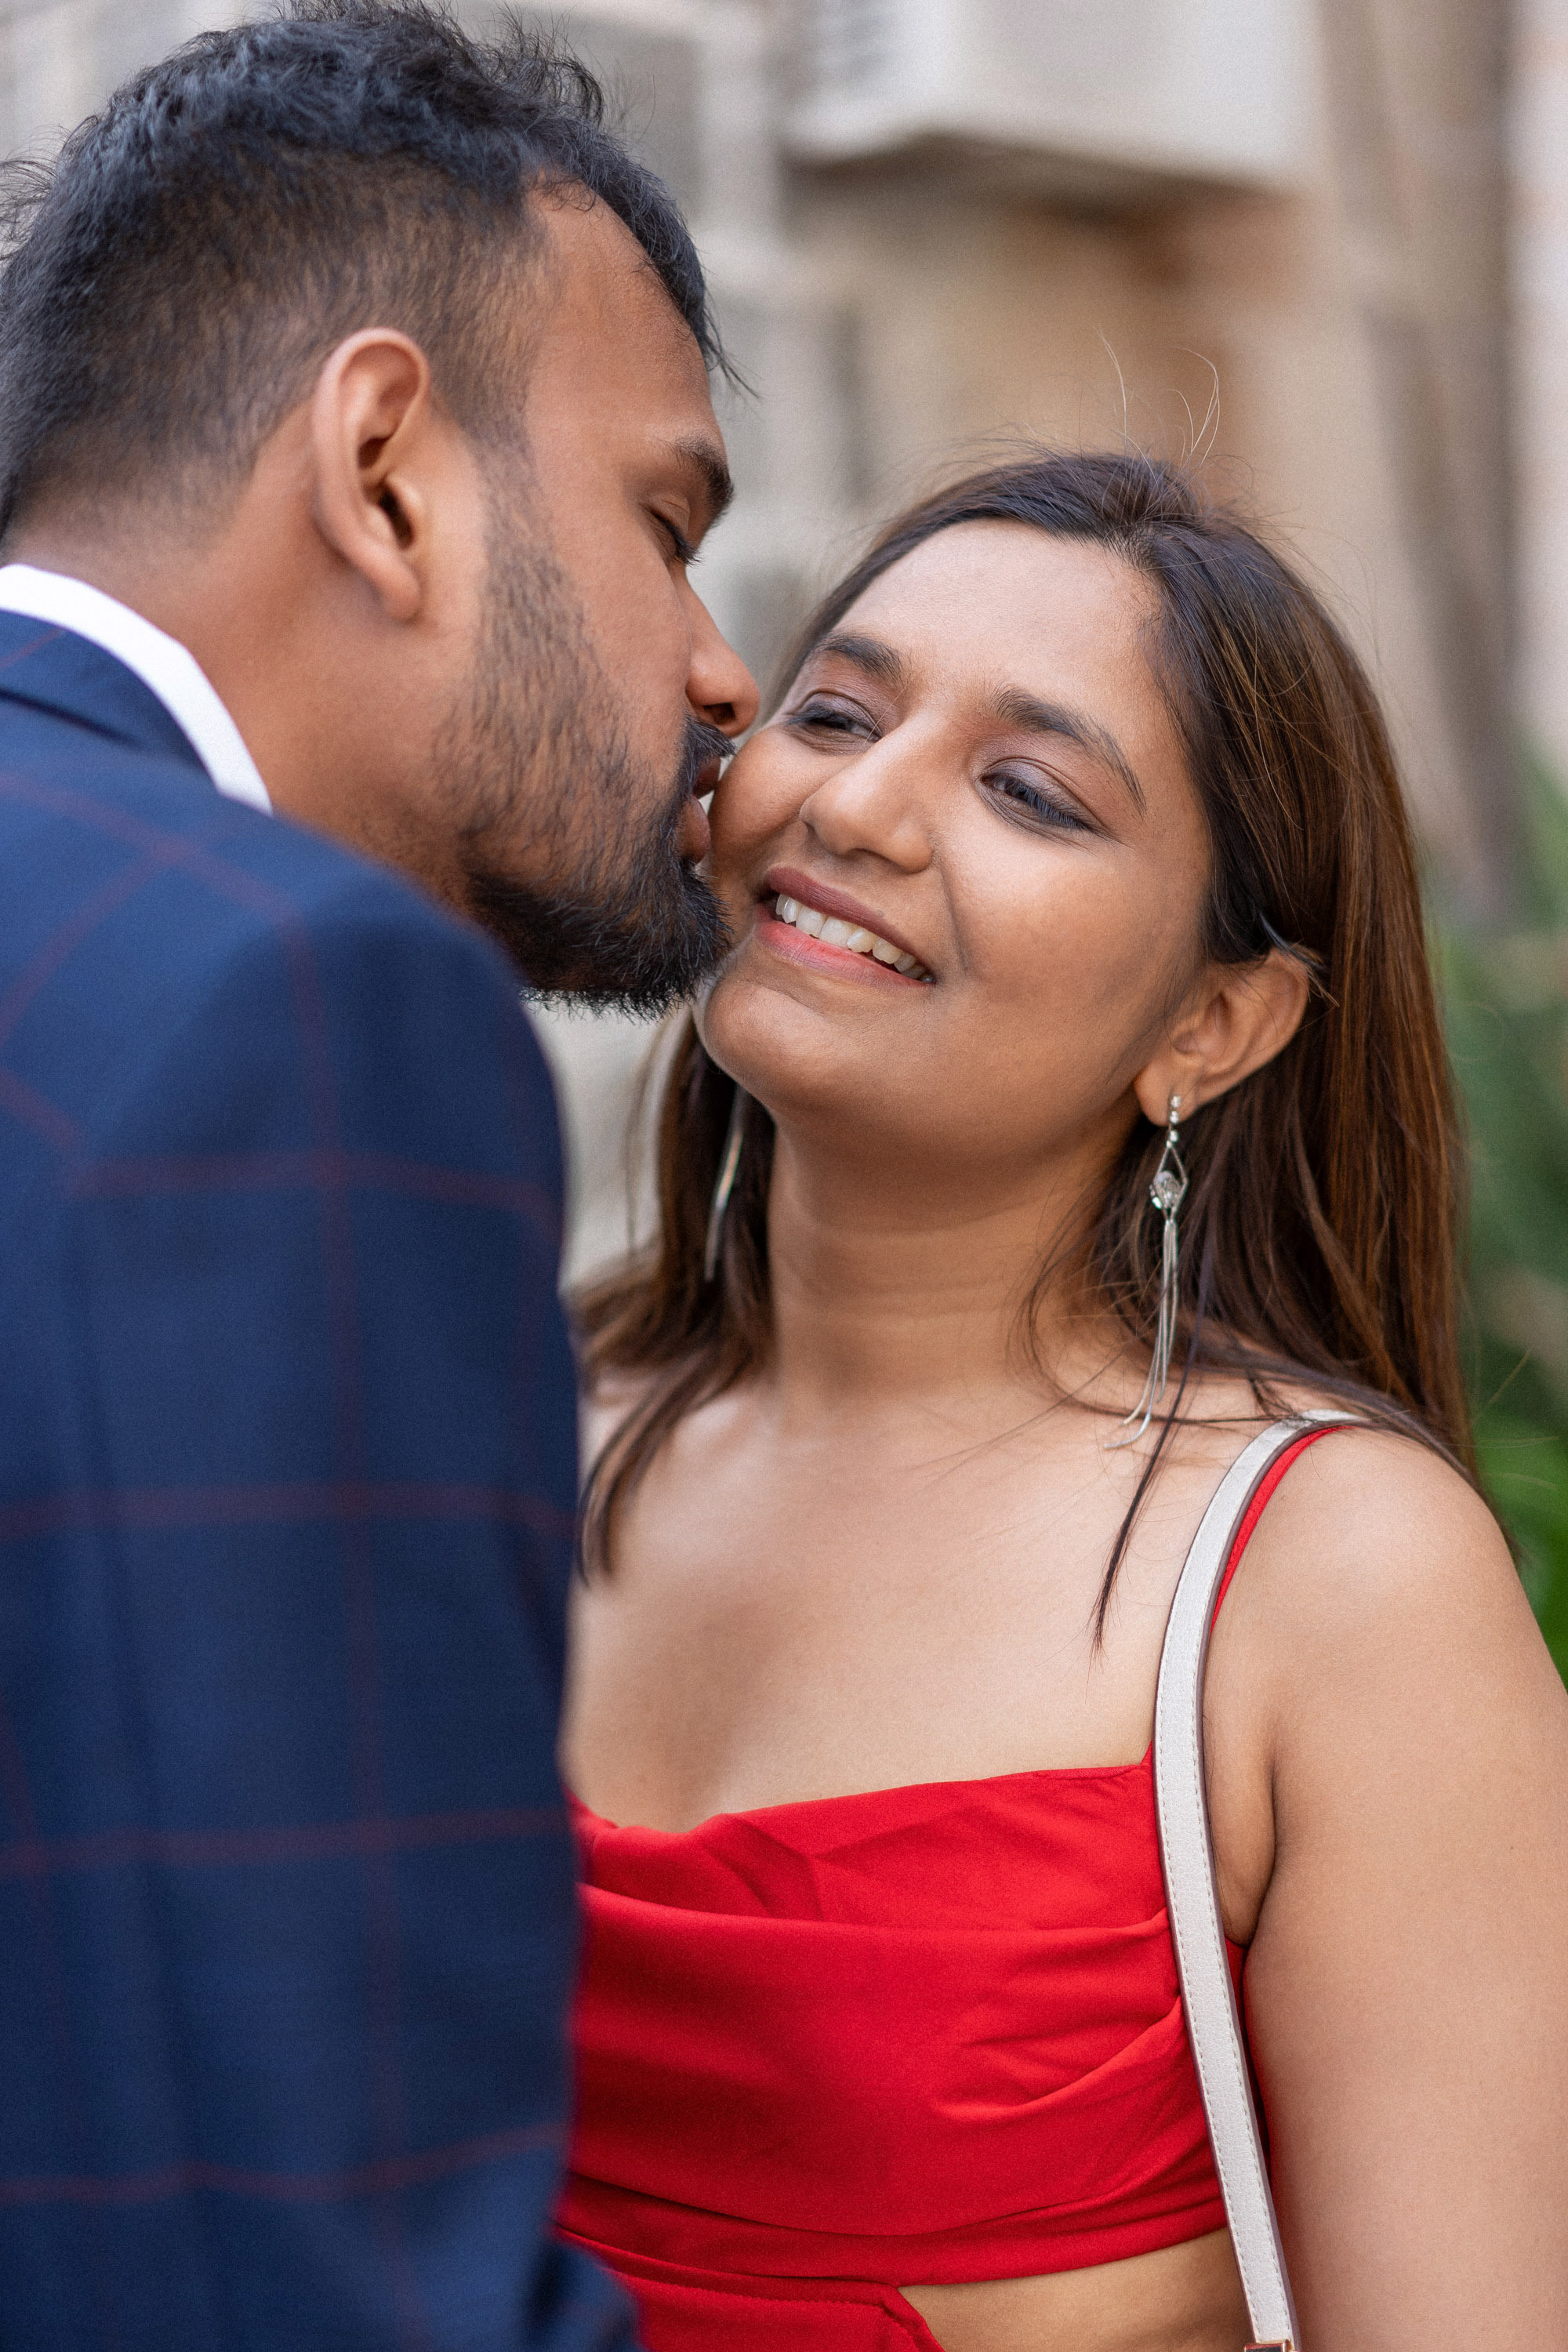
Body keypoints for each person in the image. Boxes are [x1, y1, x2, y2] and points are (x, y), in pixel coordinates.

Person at [560, 451, 1568, 2352]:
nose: (853, 803)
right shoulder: (508, 1414)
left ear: (1213, 1025)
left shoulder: (1336, 1582)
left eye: (1028, 790)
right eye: (836, 709)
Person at [0, 3, 755, 2345]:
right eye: (667, 520)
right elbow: (320, 2264)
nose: (730, 673)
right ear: (387, 465)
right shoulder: (287, 1014)